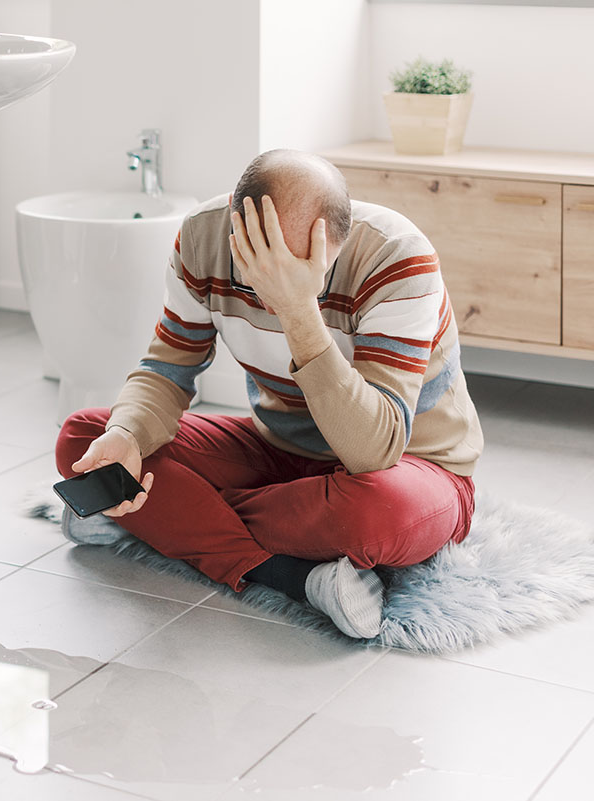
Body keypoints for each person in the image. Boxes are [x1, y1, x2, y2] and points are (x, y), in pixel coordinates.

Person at [54, 149, 484, 639]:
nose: (269, 290)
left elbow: (373, 451)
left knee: (378, 515)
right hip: (278, 448)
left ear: (338, 243)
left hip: (406, 464)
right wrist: (128, 434)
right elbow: (167, 368)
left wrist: (298, 310)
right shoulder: (203, 237)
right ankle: (290, 575)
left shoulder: (397, 258)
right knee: (86, 437)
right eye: (257, 265)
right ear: (234, 226)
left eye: (297, 269)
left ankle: (166, 518)